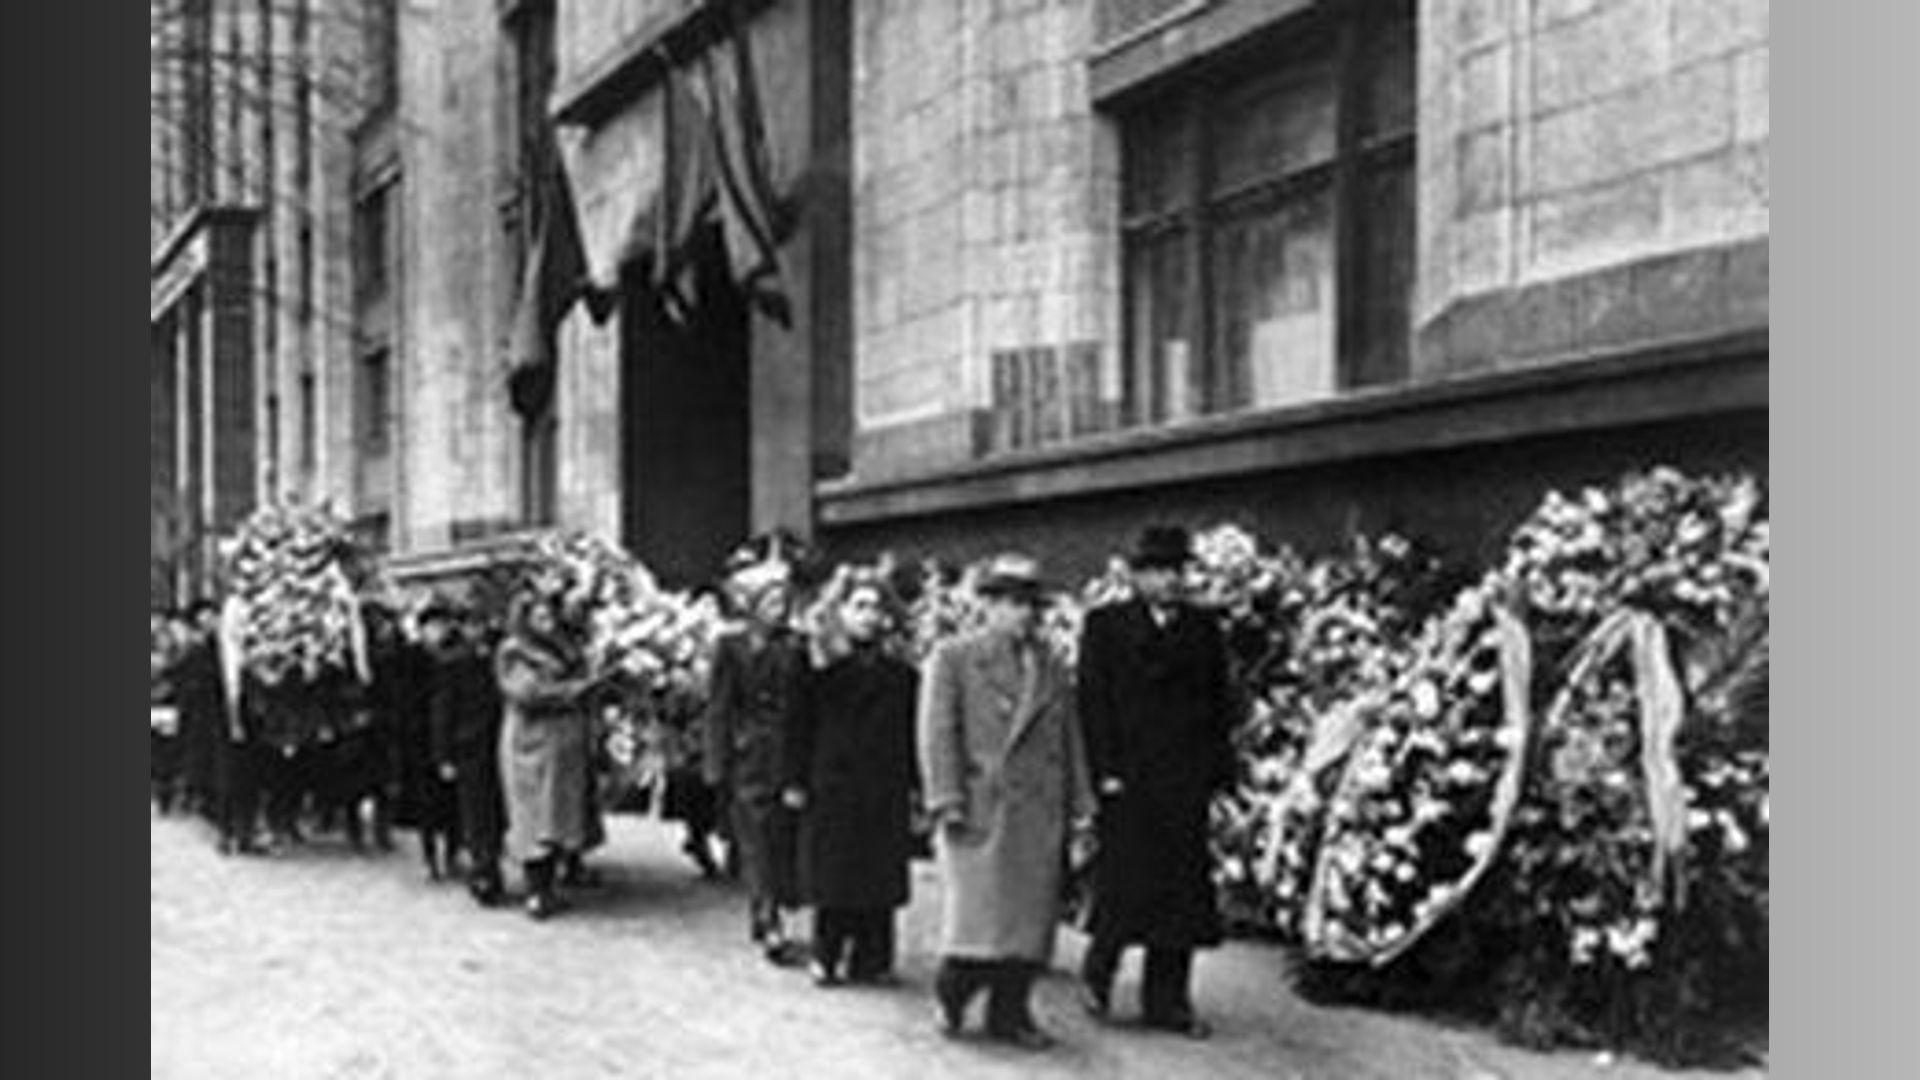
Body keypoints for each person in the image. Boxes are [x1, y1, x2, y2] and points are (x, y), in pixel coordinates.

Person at [919, 554, 1095, 1050]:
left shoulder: (1049, 665)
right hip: (983, 805)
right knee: (977, 922)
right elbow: (938, 733)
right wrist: (946, 797)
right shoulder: (954, 658)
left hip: (1038, 810)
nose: (1025, 615)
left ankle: (1010, 1012)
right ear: (989, 605)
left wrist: (1082, 805)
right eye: (1015, 604)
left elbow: (1070, 737)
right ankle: (953, 991)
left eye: (1031, 605)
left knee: (1028, 926)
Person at [1075, 526, 1237, 1039]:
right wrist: (1105, 771)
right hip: (1129, 780)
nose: (1171, 580)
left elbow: (1218, 705)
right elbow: (1093, 703)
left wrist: (1218, 775)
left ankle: (1167, 1000)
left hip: (1182, 780)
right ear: (1137, 576)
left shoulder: (1203, 628)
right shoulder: (1106, 626)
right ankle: (1099, 973)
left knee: (1180, 895)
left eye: (1177, 570)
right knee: (1123, 885)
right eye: (1160, 571)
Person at [784, 571, 920, 988]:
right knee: (835, 874)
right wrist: (794, 779)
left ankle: (872, 958)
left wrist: (917, 785)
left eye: (876, 607)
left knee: (878, 876)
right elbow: (797, 723)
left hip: (884, 784)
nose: (869, 615)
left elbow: (911, 732)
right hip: (834, 781)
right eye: (859, 606)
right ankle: (827, 954)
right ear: (841, 611)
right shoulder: (817, 666)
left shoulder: (902, 673)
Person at [705, 549, 809, 965]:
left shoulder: (798, 646)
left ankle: (767, 907)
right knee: (756, 839)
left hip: (790, 752)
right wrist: (716, 761)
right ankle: (769, 916)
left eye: (783, 602)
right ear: (752, 606)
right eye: (770, 602)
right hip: (750, 755)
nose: (778, 609)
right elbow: (719, 707)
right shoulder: (731, 647)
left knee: (782, 836)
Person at [496, 591, 605, 920]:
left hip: (563, 744)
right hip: (533, 744)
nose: (549, 624)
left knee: (558, 816)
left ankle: (552, 883)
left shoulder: (562, 648)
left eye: (550, 617)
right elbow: (527, 692)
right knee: (534, 817)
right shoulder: (515, 651)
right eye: (540, 618)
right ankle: (537, 891)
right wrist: (573, 690)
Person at [425, 601, 508, 906]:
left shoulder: (498, 657)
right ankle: (483, 872)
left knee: (496, 811)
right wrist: (443, 755)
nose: (478, 631)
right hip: (468, 747)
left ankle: (491, 863)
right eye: (472, 625)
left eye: (481, 624)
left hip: (498, 744)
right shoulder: (452, 662)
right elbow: (442, 711)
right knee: (475, 812)